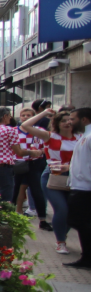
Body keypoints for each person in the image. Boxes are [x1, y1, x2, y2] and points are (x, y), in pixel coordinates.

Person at [22, 109, 78, 254]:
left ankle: (62, 234)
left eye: (70, 120)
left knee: (73, 212)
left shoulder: (80, 137)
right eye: (63, 120)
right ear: (57, 123)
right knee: (61, 209)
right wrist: (44, 113)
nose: (67, 123)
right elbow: (26, 125)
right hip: (53, 176)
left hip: (75, 177)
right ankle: (60, 242)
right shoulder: (49, 136)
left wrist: (70, 166)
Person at [62, 107, 91, 269]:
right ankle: (86, 256)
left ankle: (87, 257)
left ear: (84, 120)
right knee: (79, 221)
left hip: (85, 188)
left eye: (72, 119)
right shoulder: (84, 137)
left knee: (78, 221)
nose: (69, 122)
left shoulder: (89, 137)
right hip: (80, 186)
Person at [0, 107, 26, 198]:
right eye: (9, 116)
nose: (10, 118)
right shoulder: (10, 130)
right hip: (3, 168)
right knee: (5, 195)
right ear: (5, 116)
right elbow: (18, 151)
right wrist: (34, 153)